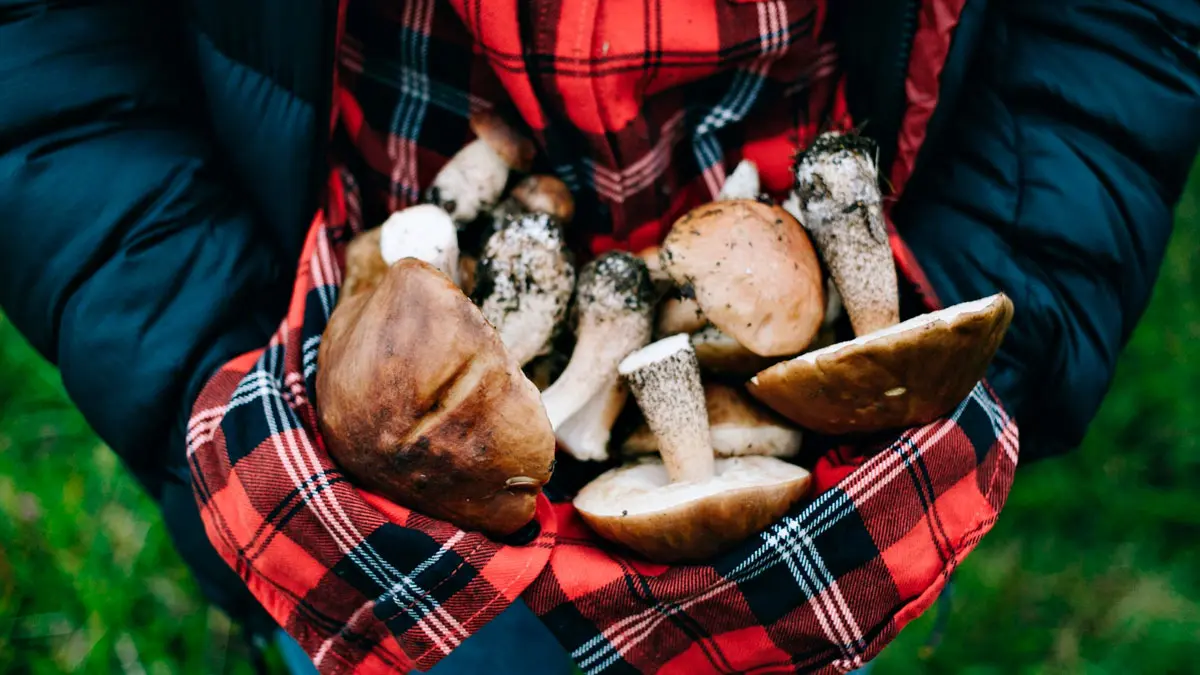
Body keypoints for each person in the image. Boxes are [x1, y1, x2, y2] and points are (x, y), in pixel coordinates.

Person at [1, 0, 1197, 673]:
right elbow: (41, 57)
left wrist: (972, 321)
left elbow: (1116, 27)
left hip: (796, 414)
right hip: (352, 397)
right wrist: (206, 375)